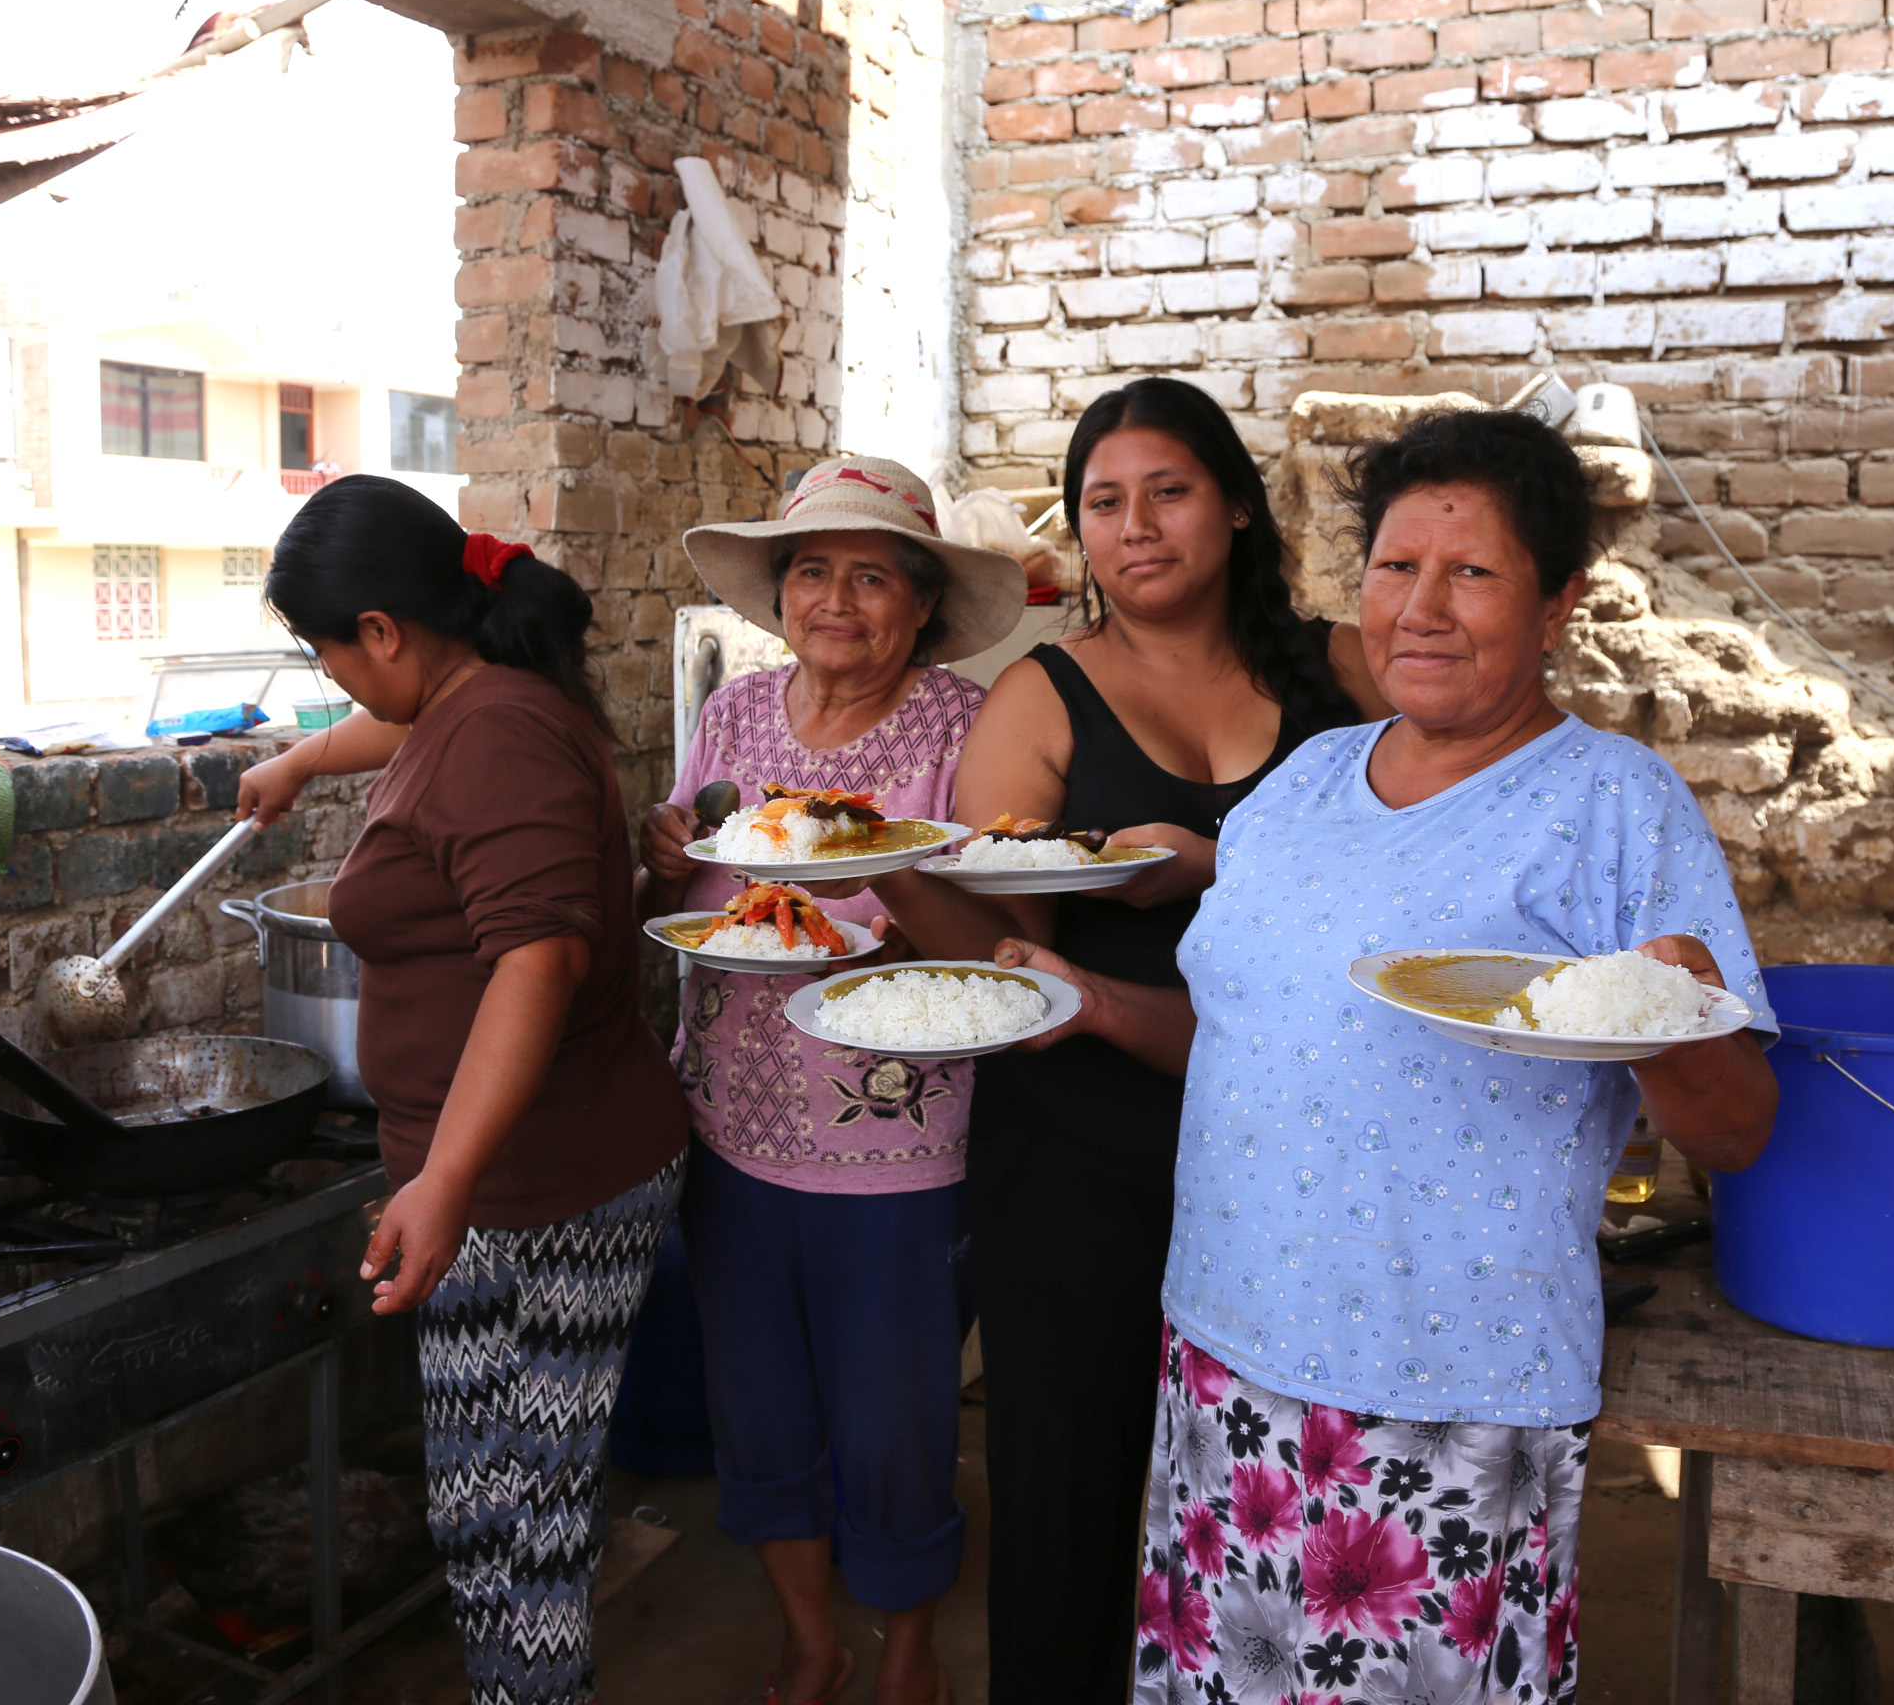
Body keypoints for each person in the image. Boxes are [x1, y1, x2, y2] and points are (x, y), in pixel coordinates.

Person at [1013, 409, 1780, 1702]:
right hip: (1227, 1360)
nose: (1423, 607)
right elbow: (1240, 1032)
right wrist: (1086, 998)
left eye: (1472, 572)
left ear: (1558, 604)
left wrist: (1676, 1018)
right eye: (1394, 567)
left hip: (1444, 1388)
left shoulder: (1612, 805)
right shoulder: (1302, 786)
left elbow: (1736, 1131)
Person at [863, 379, 1386, 1705]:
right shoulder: (1042, 698)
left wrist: (1214, 862)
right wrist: (875, 864)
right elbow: (1002, 940)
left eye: (1168, 491)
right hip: (1081, 1142)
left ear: (1240, 507)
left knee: (1287, 1479)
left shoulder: (1344, 674)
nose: (1135, 526)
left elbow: (1409, 892)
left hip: (1295, 1143)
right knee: (1069, 1474)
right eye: (1104, 502)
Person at [236, 477, 688, 1705]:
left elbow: (537, 959)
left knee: (523, 1525)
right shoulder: (474, 701)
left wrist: (445, 1180)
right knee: (484, 1509)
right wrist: (301, 759)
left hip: (544, 1186)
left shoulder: (496, 731)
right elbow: (404, 728)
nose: (333, 682)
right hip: (498, 1185)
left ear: (382, 630)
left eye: (328, 656)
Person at [636, 456, 1025, 1705]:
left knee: (893, 1420)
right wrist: (657, 854)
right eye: (812, 571)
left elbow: (992, 946)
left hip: (899, 1145)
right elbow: (688, 890)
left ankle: (908, 1650)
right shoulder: (734, 717)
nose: (837, 600)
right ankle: (811, 1640)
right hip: (730, 1123)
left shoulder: (965, 727)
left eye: (872, 576)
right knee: (757, 1407)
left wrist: (872, 858)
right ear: (780, 594)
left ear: (920, 605)